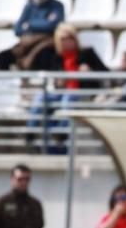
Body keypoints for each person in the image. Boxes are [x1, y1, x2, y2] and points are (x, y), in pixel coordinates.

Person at [25, 23, 109, 153]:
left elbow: (106, 73)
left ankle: (61, 135)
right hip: (60, 92)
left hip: (81, 93)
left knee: (68, 98)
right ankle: (30, 133)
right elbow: (53, 79)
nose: (66, 42)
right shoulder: (56, 57)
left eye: (69, 38)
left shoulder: (87, 53)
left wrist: (90, 71)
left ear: (75, 39)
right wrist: (58, 82)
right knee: (41, 97)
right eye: (63, 39)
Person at [0, 0, 65, 71]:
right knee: (3, 56)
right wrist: (42, 23)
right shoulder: (29, 6)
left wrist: (29, 24)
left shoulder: (57, 6)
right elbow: (17, 29)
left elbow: (51, 26)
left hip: (45, 44)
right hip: (27, 44)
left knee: (45, 56)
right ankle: (5, 82)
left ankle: (45, 81)